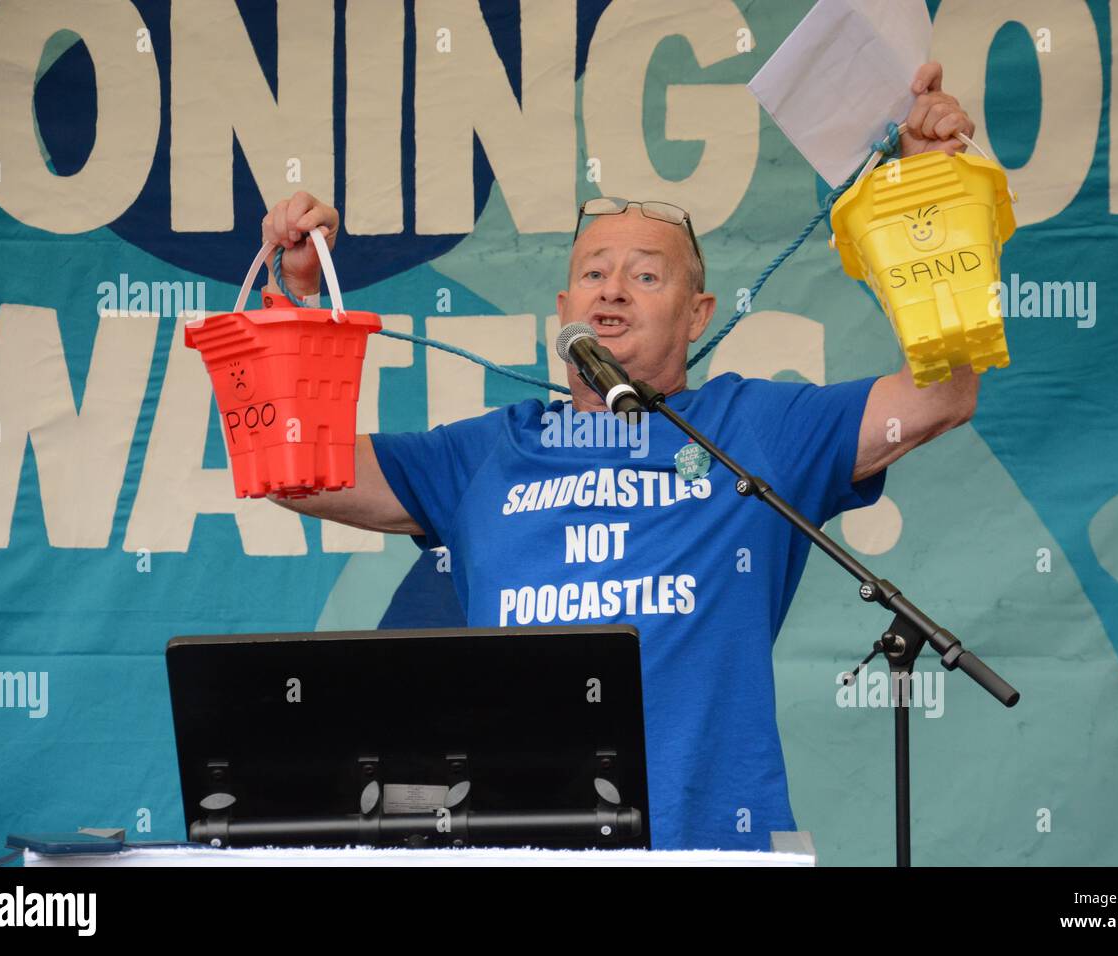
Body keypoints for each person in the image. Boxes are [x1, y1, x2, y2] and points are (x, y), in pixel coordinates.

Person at [264, 63, 980, 850]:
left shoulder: (754, 427)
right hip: (517, 851)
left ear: (699, 314)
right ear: (564, 310)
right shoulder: (488, 451)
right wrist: (298, 297)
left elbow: (937, 397)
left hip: (707, 848)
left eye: (645, 275)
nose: (613, 292)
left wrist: (927, 200)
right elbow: (296, 469)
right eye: (594, 274)